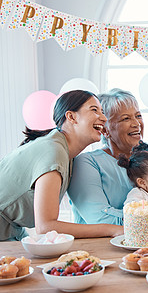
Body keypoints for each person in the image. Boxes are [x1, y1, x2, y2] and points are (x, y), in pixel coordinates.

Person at [0, 90, 123, 241]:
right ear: (71, 116)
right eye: (94, 110)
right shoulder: (54, 152)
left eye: (102, 112)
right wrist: (111, 229)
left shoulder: (65, 153)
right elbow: (45, 226)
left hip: (13, 231)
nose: (103, 118)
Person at [67, 88, 143, 225]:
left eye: (138, 116)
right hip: (98, 246)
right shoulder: (86, 163)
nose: (136, 124)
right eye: (126, 118)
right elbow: (99, 218)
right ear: (105, 129)